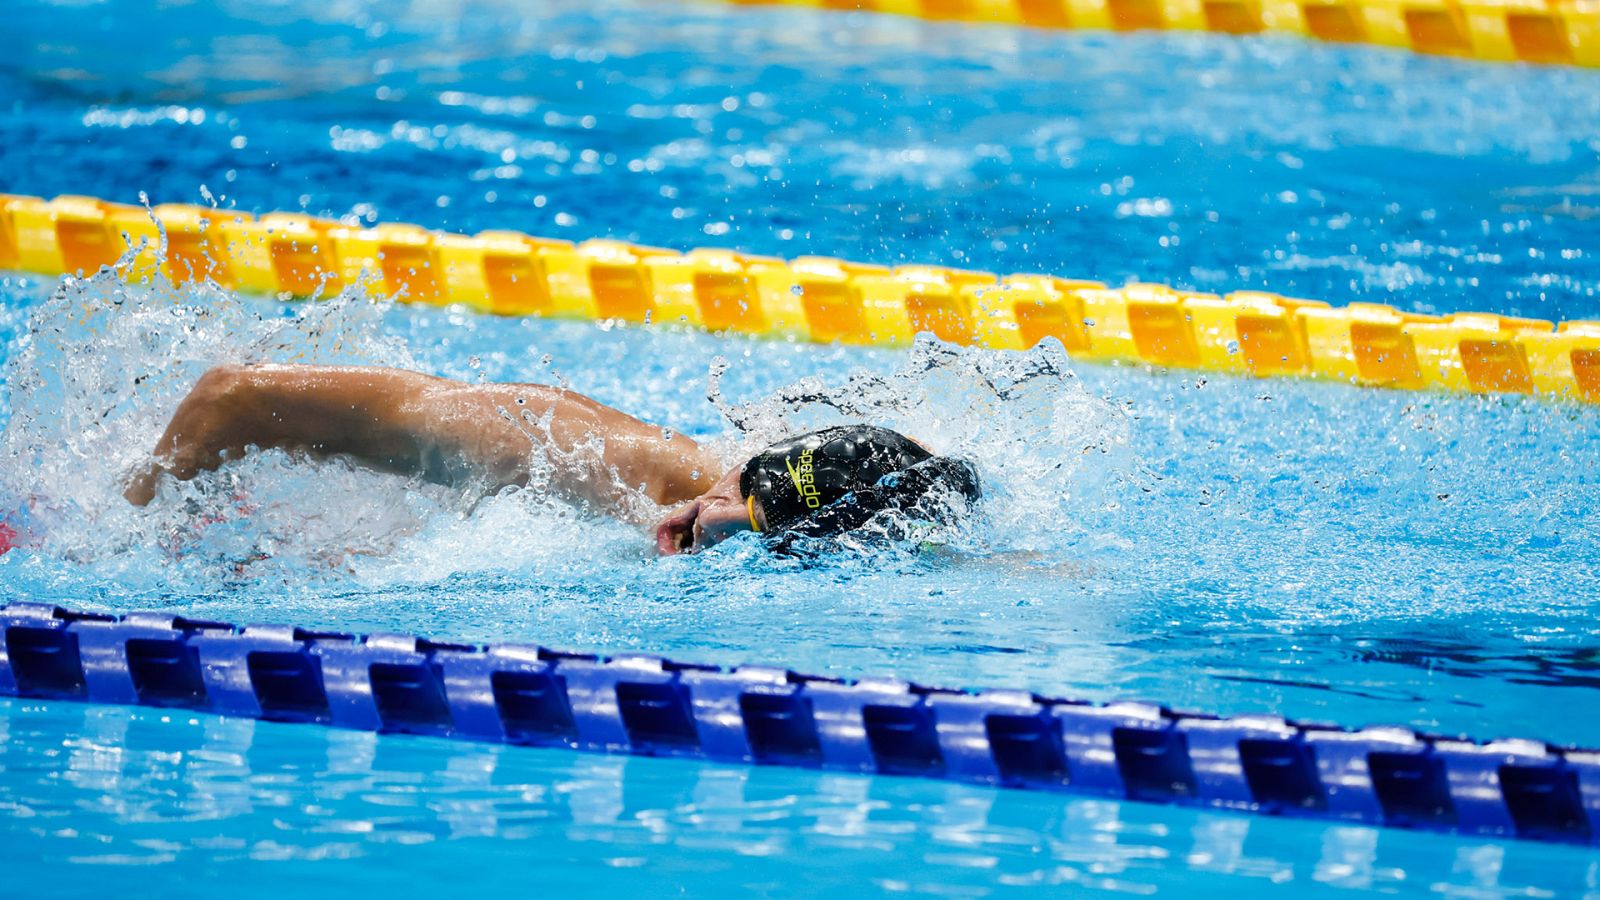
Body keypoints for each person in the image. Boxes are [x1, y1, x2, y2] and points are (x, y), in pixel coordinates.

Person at [124, 364, 981, 555]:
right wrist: (125, 527)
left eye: (745, 536)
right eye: (731, 495)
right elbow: (226, 398)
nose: (703, 523)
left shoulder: (858, 527)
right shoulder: (561, 448)